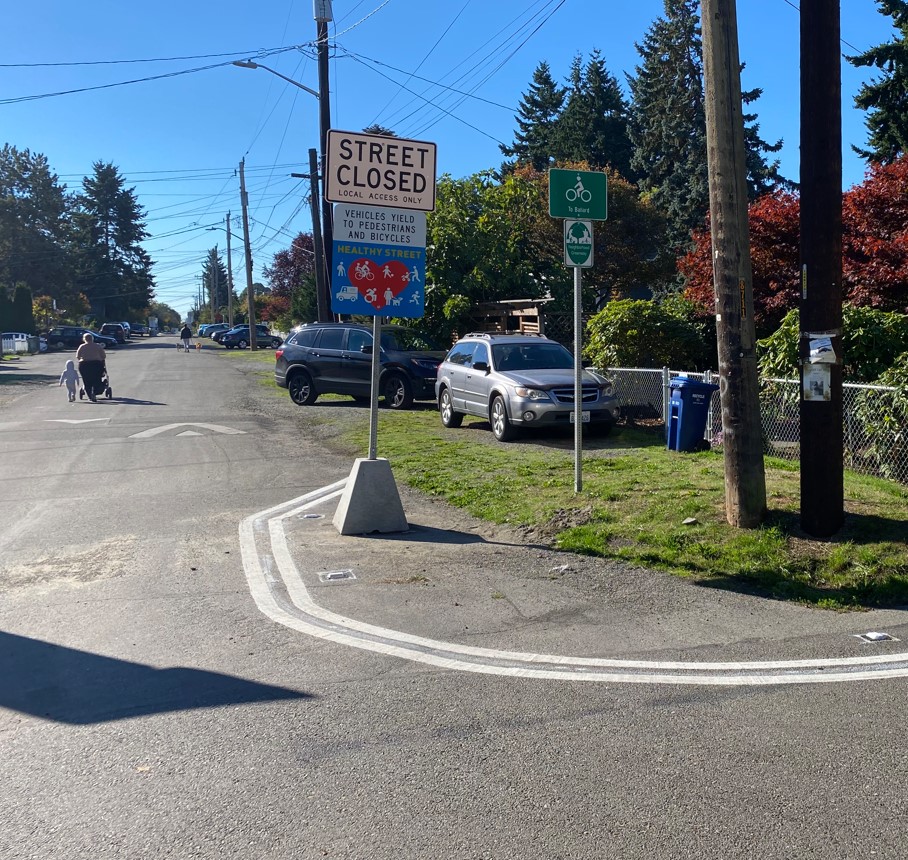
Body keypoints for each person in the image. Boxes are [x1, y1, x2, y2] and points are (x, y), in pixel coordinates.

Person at [75, 332, 106, 402]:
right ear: (92, 339)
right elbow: (103, 356)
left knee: (87, 380)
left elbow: (78, 356)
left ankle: (90, 395)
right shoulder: (98, 346)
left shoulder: (82, 346)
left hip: (84, 364)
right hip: (96, 364)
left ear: (84, 339)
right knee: (96, 379)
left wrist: (83, 359)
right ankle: (95, 392)